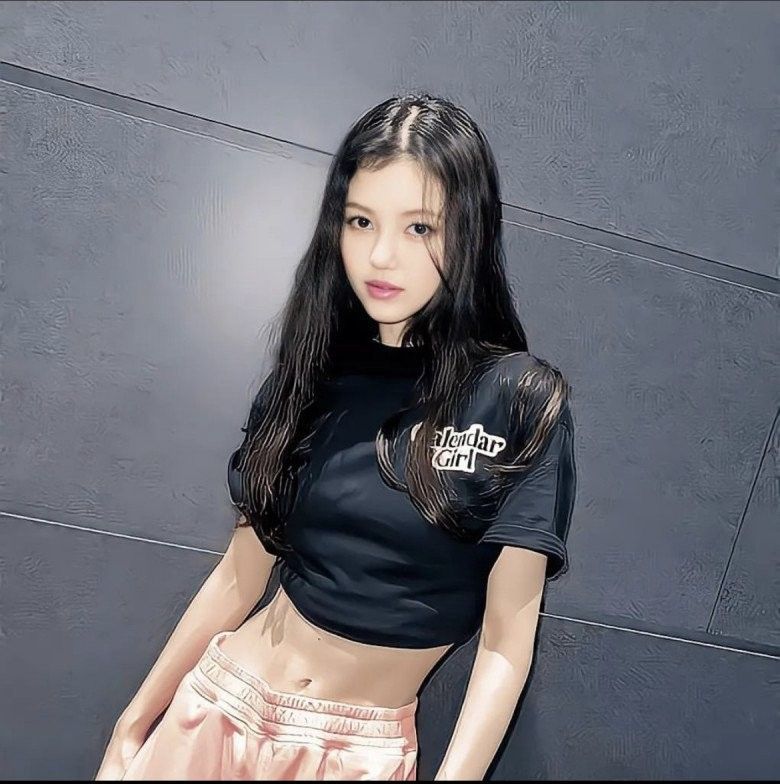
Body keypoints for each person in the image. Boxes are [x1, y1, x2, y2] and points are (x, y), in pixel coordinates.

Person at [95, 92, 578, 782]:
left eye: (419, 227)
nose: (381, 255)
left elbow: (506, 642)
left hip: (354, 756)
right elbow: (239, 574)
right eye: (361, 220)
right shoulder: (308, 379)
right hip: (216, 710)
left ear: (468, 233)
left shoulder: (519, 400)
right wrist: (133, 725)